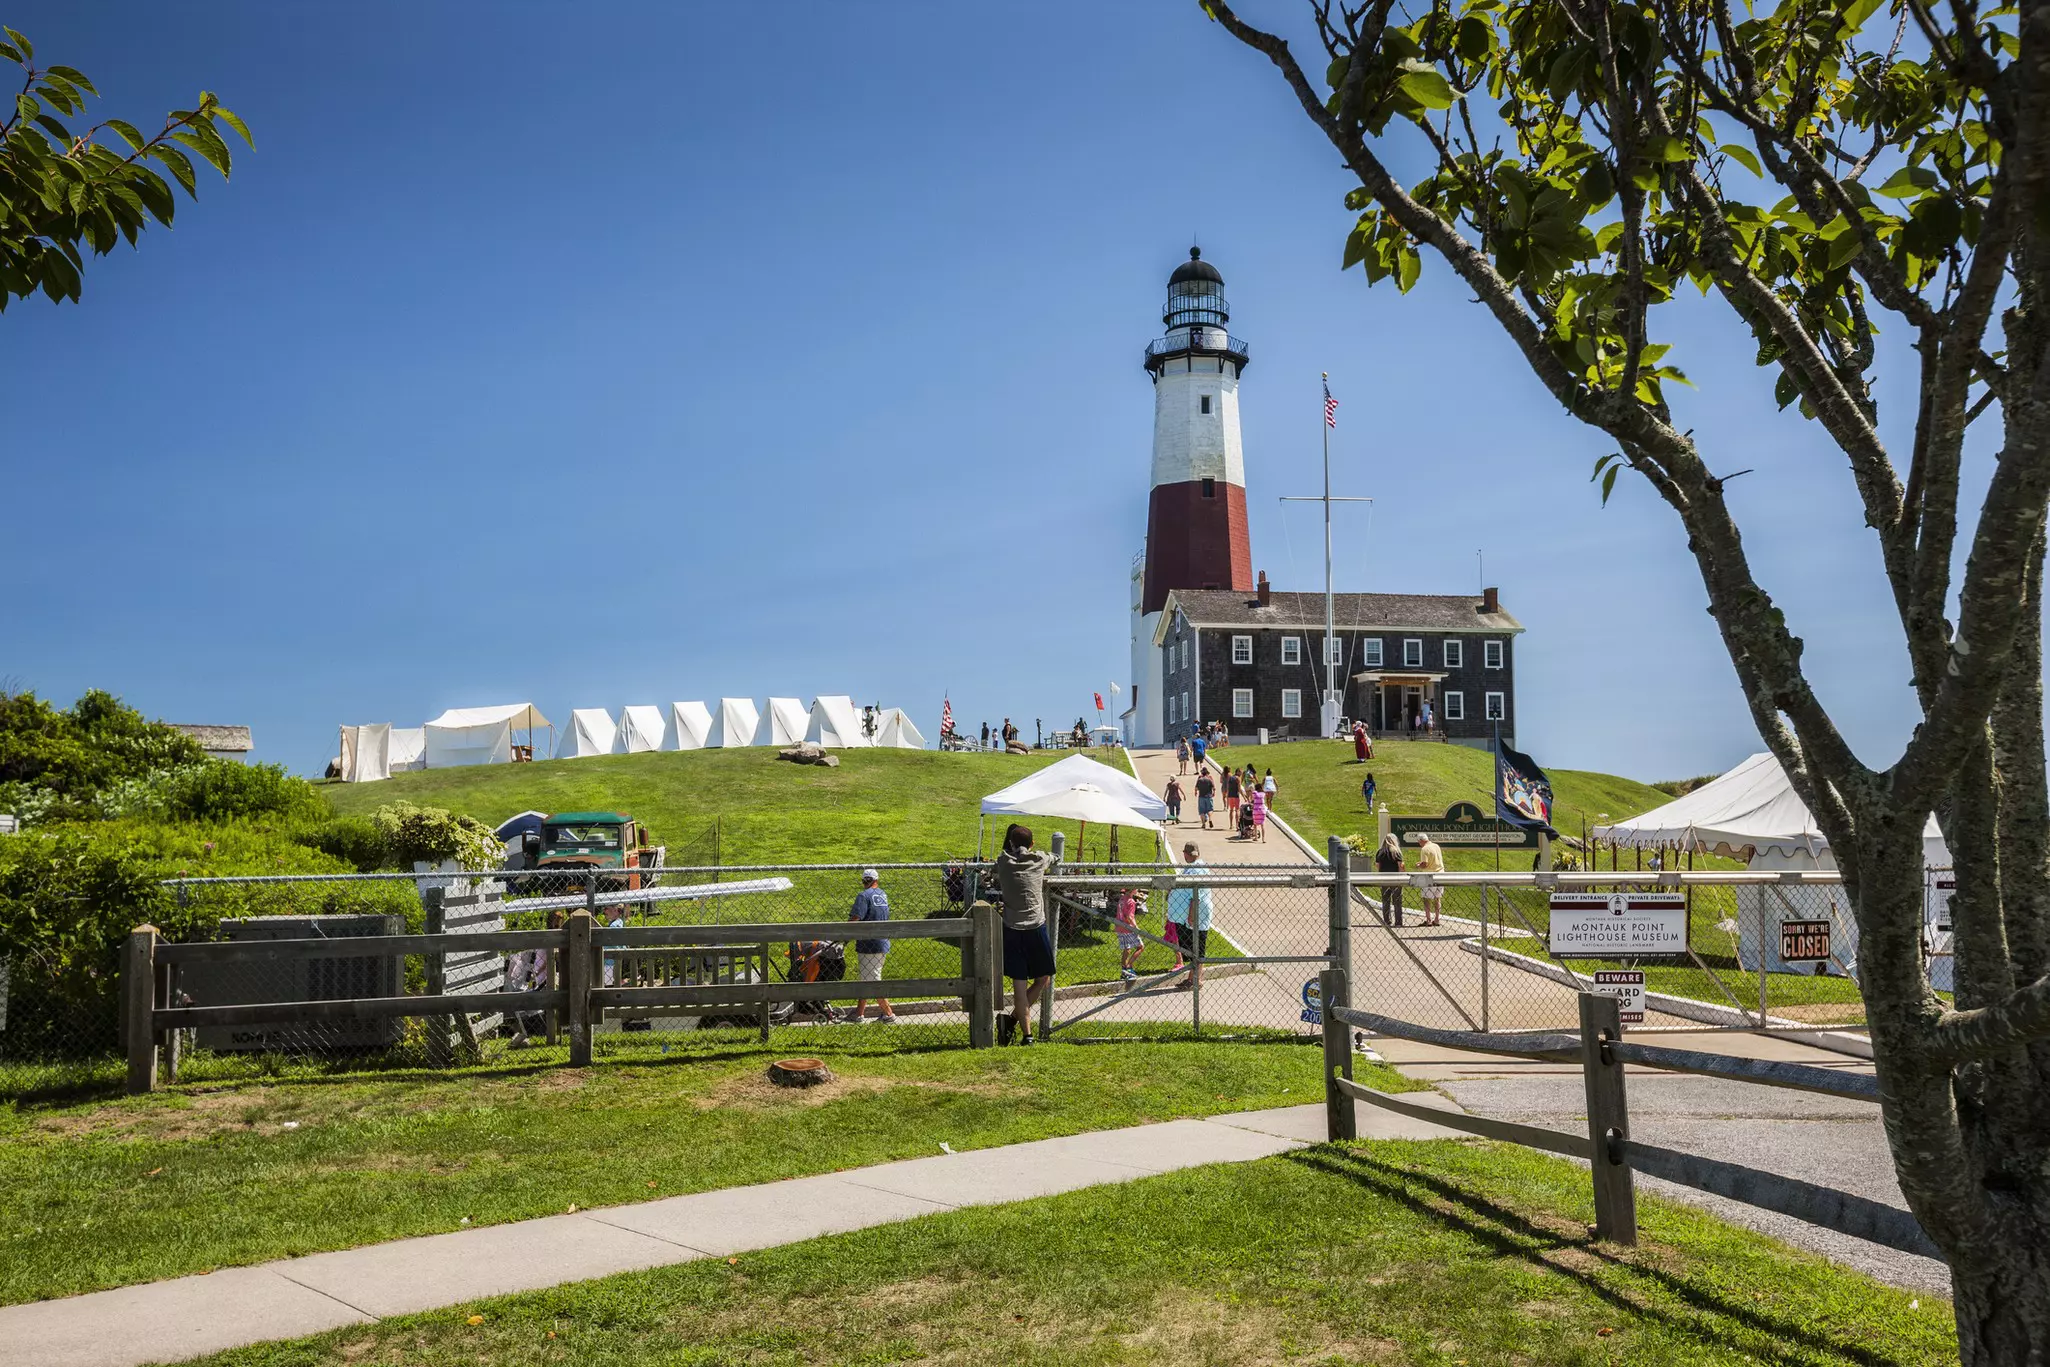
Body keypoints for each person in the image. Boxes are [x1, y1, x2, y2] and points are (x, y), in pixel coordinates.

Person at [993, 823, 1056, 1045]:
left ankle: (1014, 1023)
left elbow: (999, 861)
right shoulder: (1038, 859)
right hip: (1035, 927)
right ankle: (1026, 1034)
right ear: (1032, 844)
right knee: (1042, 979)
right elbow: (1054, 857)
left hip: (1012, 928)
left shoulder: (1003, 861)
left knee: (1023, 984)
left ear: (1010, 843)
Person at [847, 868, 897, 1022]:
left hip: (869, 944)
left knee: (873, 980)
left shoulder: (863, 896)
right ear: (876, 880)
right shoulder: (882, 895)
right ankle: (859, 1014)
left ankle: (889, 1014)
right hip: (882, 941)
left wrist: (843, 933)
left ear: (864, 881)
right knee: (867, 979)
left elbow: (856, 917)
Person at [1166, 843, 1213, 987]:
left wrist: (1191, 915)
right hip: (1188, 914)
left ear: (1187, 854)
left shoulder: (1197, 870)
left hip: (1195, 914)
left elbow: (1195, 895)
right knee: (1193, 949)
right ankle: (1192, 979)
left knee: (1197, 949)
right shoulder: (1192, 868)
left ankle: (1196, 980)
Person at [1415, 833, 1446, 926]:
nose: (1419, 844)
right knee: (1437, 898)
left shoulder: (1424, 849)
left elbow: (1425, 864)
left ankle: (1428, 920)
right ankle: (1437, 919)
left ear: (1421, 841)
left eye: (1419, 842)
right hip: (1441, 874)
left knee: (1426, 898)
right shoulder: (1436, 846)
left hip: (1429, 875)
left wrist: (1418, 865)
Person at [1375, 833, 1405, 926]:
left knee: (1385, 900)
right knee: (1397, 901)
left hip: (1384, 879)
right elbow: (1400, 866)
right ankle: (1398, 922)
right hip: (1395, 879)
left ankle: (1386, 920)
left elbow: (1377, 865)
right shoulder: (1396, 852)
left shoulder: (1380, 852)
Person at [1114, 887, 1143, 981]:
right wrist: (1135, 927)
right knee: (1140, 947)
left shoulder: (1122, 899)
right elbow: (1129, 916)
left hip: (1119, 926)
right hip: (1128, 927)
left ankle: (1124, 970)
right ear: (1132, 890)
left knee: (1127, 949)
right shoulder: (1131, 901)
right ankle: (1129, 967)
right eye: (1136, 888)